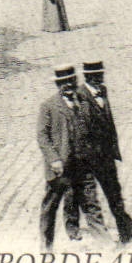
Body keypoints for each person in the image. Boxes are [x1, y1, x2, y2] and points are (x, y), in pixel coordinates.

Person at [36, 65, 101, 248]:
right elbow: (42, 136)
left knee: (91, 202)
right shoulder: (48, 106)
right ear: (58, 85)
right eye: (64, 82)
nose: (69, 85)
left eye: (72, 81)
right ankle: (46, 245)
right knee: (50, 206)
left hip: (82, 163)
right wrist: (54, 159)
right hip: (60, 166)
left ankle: (104, 241)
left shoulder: (83, 101)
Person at [76, 61, 132, 244]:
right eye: (97, 75)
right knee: (89, 198)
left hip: (106, 155)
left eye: (101, 74)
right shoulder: (80, 95)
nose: (101, 78)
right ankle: (96, 236)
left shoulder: (102, 90)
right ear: (89, 77)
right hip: (89, 157)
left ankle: (125, 229)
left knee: (114, 193)